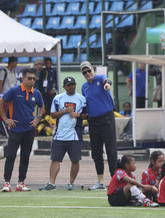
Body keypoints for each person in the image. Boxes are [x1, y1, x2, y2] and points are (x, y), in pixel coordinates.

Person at [0, 68, 45, 192]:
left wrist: (38, 118)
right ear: (23, 78)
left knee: (25, 156)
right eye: (29, 78)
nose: (32, 80)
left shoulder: (37, 93)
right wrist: (6, 119)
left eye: (34, 78)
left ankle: (21, 183)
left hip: (29, 129)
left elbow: (42, 107)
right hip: (15, 129)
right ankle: (6, 183)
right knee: (11, 155)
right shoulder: (14, 91)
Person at [39, 77, 86, 191]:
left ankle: (71, 183)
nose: (71, 87)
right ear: (64, 87)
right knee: (55, 160)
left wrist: (77, 115)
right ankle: (51, 183)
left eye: (73, 84)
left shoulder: (82, 99)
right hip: (59, 135)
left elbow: (87, 115)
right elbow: (53, 115)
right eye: (69, 85)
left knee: (75, 160)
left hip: (74, 135)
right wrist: (65, 111)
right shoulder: (58, 98)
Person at [80, 61, 117, 190]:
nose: (87, 74)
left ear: (92, 70)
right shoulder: (84, 87)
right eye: (84, 72)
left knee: (111, 150)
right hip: (93, 121)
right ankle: (100, 181)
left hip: (106, 119)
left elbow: (107, 81)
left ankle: (114, 179)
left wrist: (107, 85)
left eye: (88, 71)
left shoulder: (100, 79)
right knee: (96, 151)